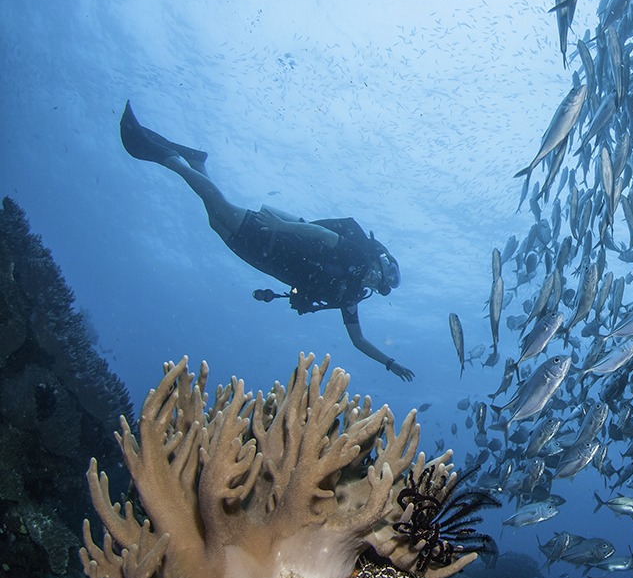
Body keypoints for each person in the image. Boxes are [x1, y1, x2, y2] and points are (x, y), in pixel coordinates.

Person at [118, 100, 414, 380]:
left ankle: (196, 162)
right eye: (383, 270)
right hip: (275, 238)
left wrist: (390, 363)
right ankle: (168, 159)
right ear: (379, 258)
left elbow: (358, 339)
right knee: (220, 207)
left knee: (216, 222)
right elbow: (321, 233)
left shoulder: (351, 294)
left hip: (267, 260)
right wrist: (280, 225)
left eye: (382, 282)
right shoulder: (357, 255)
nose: (377, 279)